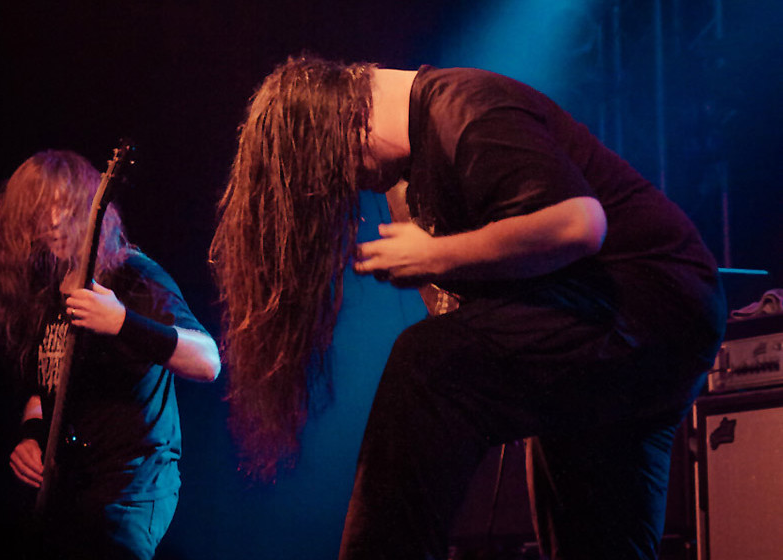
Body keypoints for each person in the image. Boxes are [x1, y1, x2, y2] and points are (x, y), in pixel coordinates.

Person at [208, 54, 726, 559]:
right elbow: (457, 304)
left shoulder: (467, 112)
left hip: (648, 304)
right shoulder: (408, 169)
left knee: (426, 365)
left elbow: (578, 225)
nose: (351, 187)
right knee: (595, 539)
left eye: (335, 169)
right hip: (631, 325)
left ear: (349, 122)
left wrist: (435, 253)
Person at [0, 149, 220, 560]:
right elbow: (44, 393)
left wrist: (122, 322)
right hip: (70, 492)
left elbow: (208, 361)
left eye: (65, 206)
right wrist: (30, 436)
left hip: (130, 492)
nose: (54, 221)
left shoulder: (133, 274)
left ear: (89, 208)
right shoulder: (46, 294)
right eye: (42, 210)